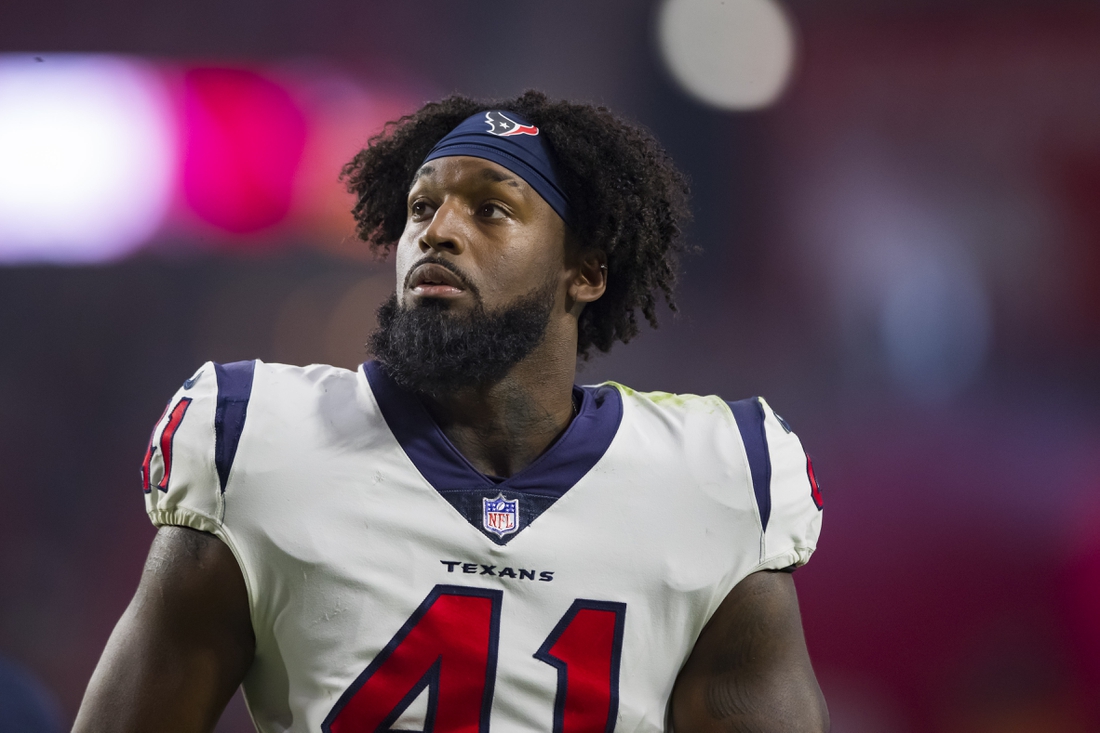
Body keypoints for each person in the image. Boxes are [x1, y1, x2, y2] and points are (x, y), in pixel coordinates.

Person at [73, 91, 828, 732]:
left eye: (491, 209)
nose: (435, 231)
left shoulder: (718, 478)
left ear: (587, 270)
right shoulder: (257, 440)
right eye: (422, 206)